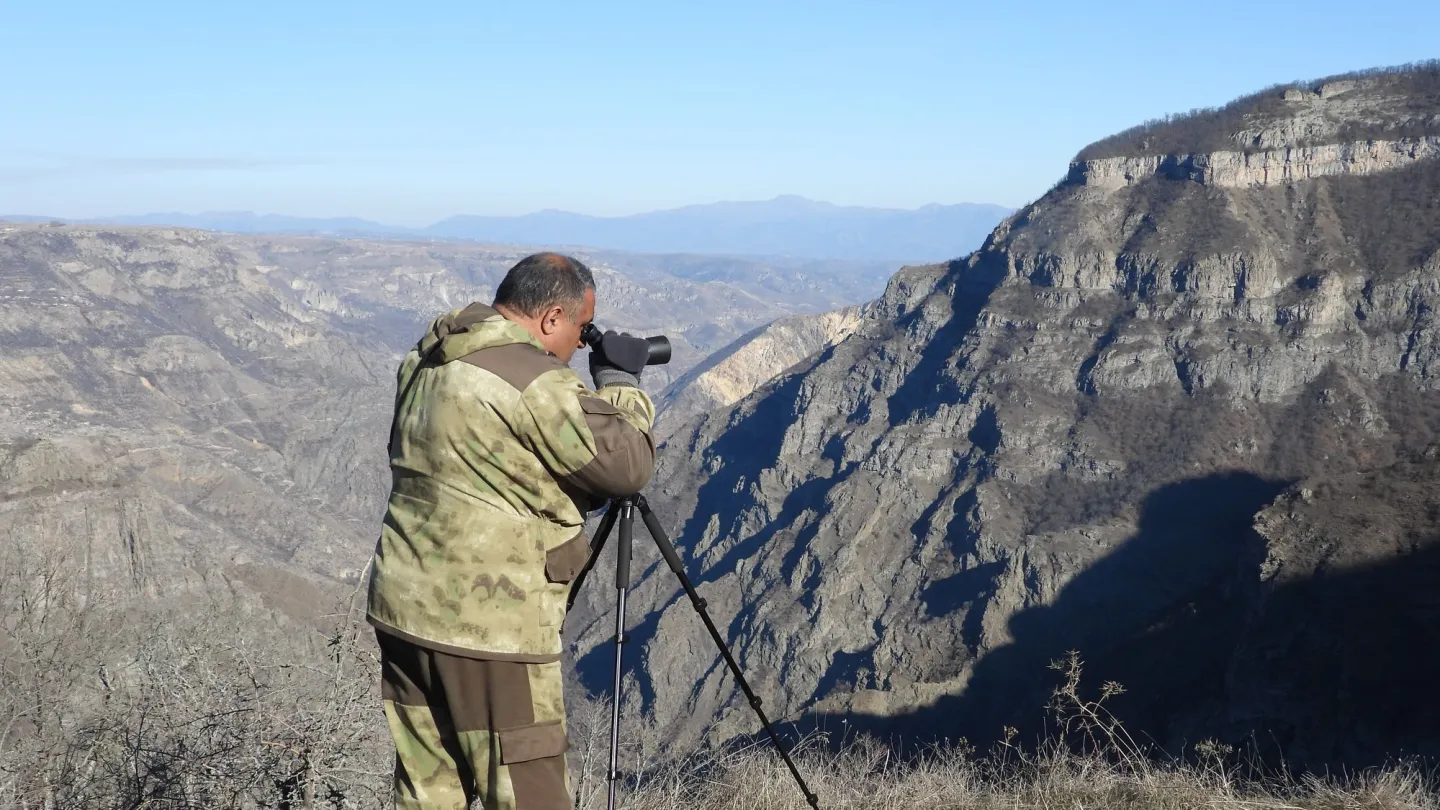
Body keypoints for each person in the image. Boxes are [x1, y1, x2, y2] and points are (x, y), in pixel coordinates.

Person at [366, 252, 656, 810]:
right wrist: (618, 384)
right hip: (489, 628)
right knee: (528, 795)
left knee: (429, 794)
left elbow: (484, 463)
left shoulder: (430, 355)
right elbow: (627, 465)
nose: (576, 346)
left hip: (405, 610)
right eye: (579, 329)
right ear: (551, 318)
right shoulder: (532, 381)